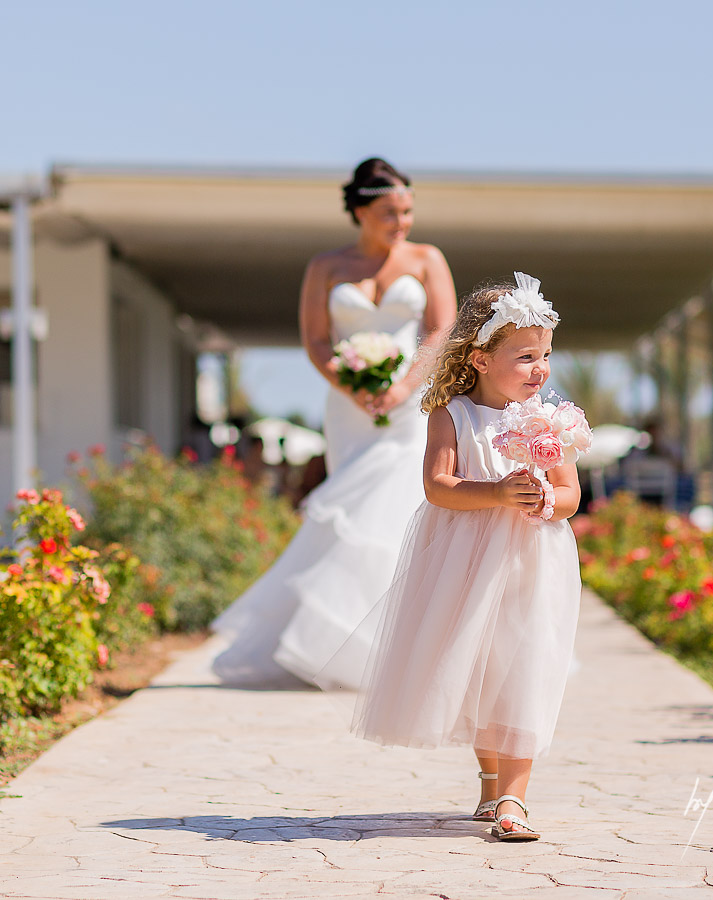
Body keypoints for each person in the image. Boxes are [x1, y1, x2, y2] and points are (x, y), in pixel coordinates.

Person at [335, 273, 582, 841]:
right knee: (483, 666)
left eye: (545, 355)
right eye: (525, 356)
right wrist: (496, 492)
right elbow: (438, 486)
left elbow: (570, 494)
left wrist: (550, 500)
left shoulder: (552, 418)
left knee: (526, 665)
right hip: (470, 560)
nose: (539, 368)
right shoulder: (452, 414)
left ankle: (515, 799)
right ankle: (491, 784)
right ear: (479, 357)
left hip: (533, 560)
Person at [210, 158, 457, 686]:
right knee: (347, 509)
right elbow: (316, 339)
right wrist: (352, 386)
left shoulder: (426, 258)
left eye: (408, 211)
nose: (402, 223)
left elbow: (442, 333)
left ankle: (399, 648)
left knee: (393, 510)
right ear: (361, 212)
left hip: (409, 407)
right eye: (390, 213)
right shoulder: (326, 266)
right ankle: (341, 647)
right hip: (347, 410)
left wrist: (402, 388)